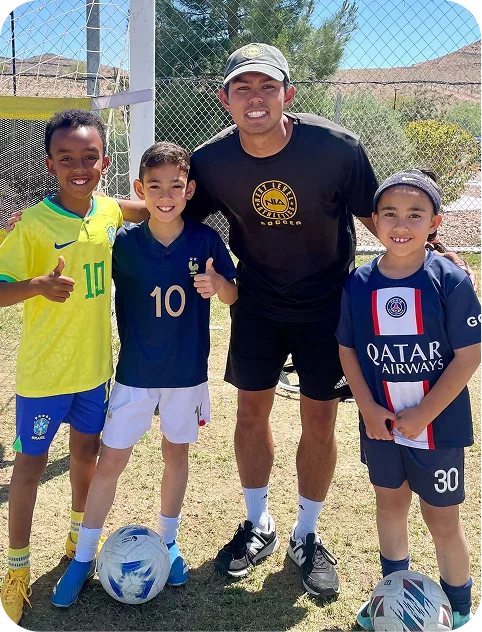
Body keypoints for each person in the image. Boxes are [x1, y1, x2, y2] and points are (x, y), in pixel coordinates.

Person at [179, 42, 382, 597]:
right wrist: (91, 216)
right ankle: (258, 524)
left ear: (288, 94)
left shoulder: (337, 149)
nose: (256, 98)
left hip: (327, 304)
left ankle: (308, 535)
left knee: (320, 421)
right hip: (257, 301)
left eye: (268, 86)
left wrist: (432, 259)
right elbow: (171, 213)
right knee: (251, 414)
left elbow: (379, 219)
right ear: (225, 99)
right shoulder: (211, 161)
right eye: (242, 88)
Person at [49, 142, 238, 607]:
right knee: (110, 462)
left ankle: (168, 541)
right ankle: (83, 558)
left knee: (177, 457)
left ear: (190, 189)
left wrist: (220, 286)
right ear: (139, 190)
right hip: (134, 375)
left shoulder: (206, 240)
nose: (167, 195)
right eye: (155, 186)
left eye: (176, 186)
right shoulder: (124, 245)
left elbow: (234, 296)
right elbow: (79, 251)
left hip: (186, 376)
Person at [0, 109, 143, 624]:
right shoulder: (33, 224)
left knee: (87, 455)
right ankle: (16, 570)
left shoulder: (107, 211)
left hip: (94, 372)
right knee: (29, 471)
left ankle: (79, 539)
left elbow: (151, 209)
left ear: (104, 162)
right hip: (44, 378)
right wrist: (36, 286)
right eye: (67, 159)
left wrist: (176, 200)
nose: (79, 167)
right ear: (49, 164)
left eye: (89, 157)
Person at [336, 168, 481, 630]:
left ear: (435, 223)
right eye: (391, 214)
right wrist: (367, 407)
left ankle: (459, 612)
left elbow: (469, 354)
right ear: (374, 221)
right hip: (382, 425)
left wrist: (425, 412)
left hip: (436, 428)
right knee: (390, 507)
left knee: (442, 522)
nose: (402, 224)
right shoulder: (359, 283)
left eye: (415, 214)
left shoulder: (450, 280)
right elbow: (349, 349)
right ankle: (392, 600)